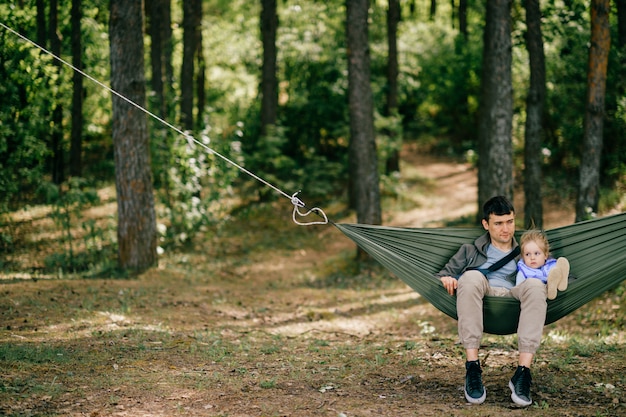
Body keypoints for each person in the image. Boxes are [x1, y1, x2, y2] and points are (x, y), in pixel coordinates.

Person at [436, 196, 545, 407]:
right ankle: (473, 367)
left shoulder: (527, 249)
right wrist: (447, 278)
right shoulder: (470, 250)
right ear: (486, 224)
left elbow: (551, 268)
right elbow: (443, 274)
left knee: (536, 285)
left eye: (510, 222)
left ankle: (523, 373)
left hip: (515, 296)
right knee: (470, 277)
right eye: (498, 223)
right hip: (483, 293)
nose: (506, 229)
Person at [516, 229, 569, 300]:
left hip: (555, 287)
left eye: (536, 253)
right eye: (527, 254)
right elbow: (518, 290)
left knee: (555, 271)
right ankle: (550, 288)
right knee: (538, 286)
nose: (532, 257)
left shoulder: (551, 266)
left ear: (545, 255)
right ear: (523, 257)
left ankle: (561, 282)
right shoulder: (523, 272)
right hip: (536, 294)